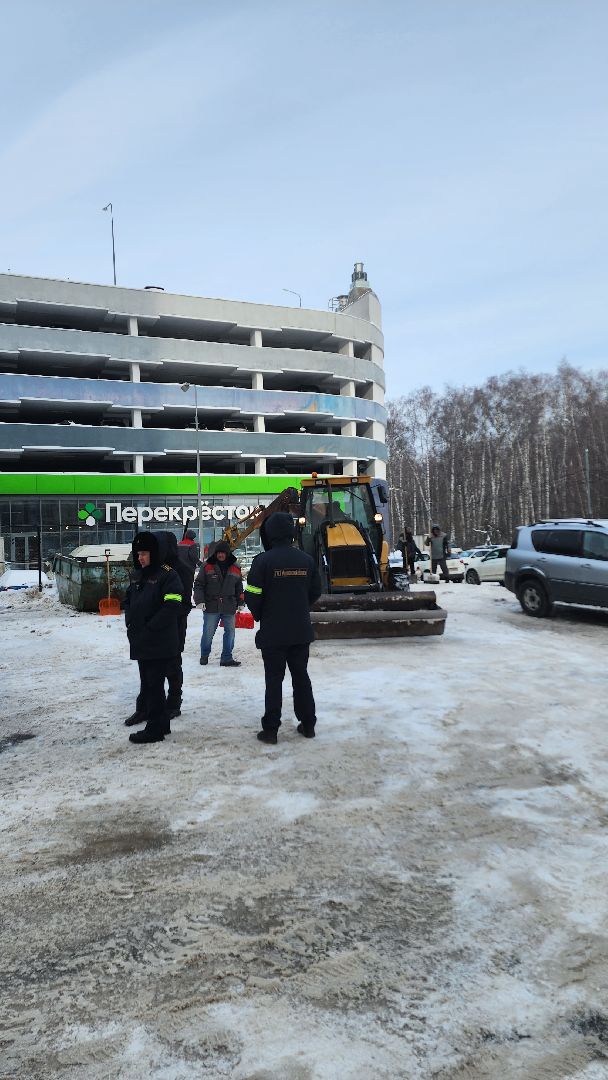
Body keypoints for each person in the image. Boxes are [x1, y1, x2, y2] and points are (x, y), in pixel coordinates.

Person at [244, 511, 322, 745]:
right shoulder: (306, 560)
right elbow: (315, 591)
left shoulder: (262, 561)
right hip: (300, 632)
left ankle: (270, 730)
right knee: (301, 678)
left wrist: (261, 614)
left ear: (269, 534)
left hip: (273, 633)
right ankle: (308, 725)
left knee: (274, 681)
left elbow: (252, 595)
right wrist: (299, 607)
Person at [122, 531, 184, 744]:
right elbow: (128, 600)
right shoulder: (139, 574)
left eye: (145, 553)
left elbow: (173, 605)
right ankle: (162, 723)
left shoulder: (168, 575)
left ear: (154, 553)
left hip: (159, 641)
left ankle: (154, 730)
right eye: (138, 553)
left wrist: (150, 628)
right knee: (149, 684)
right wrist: (130, 621)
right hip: (142, 641)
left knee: (154, 686)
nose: (140, 557)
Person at [193, 541, 243, 667]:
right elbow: (198, 584)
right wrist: (199, 601)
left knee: (230, 632)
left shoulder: (235, 567)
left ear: (227, 553)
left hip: (229, 605)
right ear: (216, 554)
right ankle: (204, 655)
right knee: (208, 632)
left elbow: (239, 587)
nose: (220, 555)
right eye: (218, 553)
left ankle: (226, 658)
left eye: (223, 553)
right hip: (211, 606)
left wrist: (241, 601)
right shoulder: (207, 566)